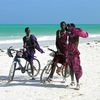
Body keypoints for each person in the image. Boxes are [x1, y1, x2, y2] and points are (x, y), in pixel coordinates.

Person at [67, 23, 88, 90]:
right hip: (69, 53)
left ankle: (78, 83)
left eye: (69, 26)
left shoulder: (76, 34)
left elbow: (75, 41)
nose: (68, 28)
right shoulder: (69, 34)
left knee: (76, 68)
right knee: (71, 68)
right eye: (68, 27)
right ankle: (72, 81)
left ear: (73, 27)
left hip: (74, 53)